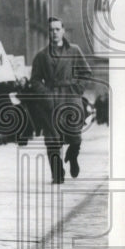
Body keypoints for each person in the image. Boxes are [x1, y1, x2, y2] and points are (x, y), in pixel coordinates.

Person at [30, 17, 91, 184]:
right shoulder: (42, 55)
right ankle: (57, 173)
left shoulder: (74, 50)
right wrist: (46, 95)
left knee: (75, 137)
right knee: (52, 139)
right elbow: (35, 80)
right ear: (48, 33)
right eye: (51, 30)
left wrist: (77, 88)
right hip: (51, 101)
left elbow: (86, 72)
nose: (54, 32)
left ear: (63, 30)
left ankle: (72, 155)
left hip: (71, 98)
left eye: (57, 29)